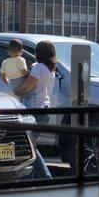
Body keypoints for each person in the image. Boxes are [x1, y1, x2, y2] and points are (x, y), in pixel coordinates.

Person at [15, 40, 57, 179]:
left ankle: (44, 178)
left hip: (34, 111)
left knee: (28, 147)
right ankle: (32, 178)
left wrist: (15, 92)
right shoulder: (51, 69)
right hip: (44, 110)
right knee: (29, 145)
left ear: (38, 53)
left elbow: (26, 87)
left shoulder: (39, 67)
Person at [0, 39, 33, 106]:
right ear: (21, 51)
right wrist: (30, 73)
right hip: (21, 82)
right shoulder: (21, 60)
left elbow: (2, 75)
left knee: (19, 99)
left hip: (12, 84)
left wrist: (6, 80)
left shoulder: (5, 62)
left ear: (8, 52)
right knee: (28, 98)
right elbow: (23, 72)